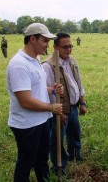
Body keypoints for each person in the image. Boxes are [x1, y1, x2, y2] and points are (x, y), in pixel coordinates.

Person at [6, 22, 64, 182]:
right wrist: (52, 107)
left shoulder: (35, 59)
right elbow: (25, 101)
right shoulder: (19, 65)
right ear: (33, 39)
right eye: (45, 41)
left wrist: (50, 90)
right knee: (26, 162)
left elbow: (34, 90)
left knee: (41, 160)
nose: (48, 45)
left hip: (41, 120)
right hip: (27, 124)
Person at [42, 33, 87, 174]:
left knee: (75, 134)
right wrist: (58, 112)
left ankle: (75, 155)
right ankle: (59, 167)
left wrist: (83, 102)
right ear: (55, 47)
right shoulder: (48, 66)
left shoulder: (72, 61)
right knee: (57, 140)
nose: (68, 50)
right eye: (65, 47)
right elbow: (47, 94)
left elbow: (78, 83)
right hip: (59, 110)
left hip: (73, 107)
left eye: (70, 46)